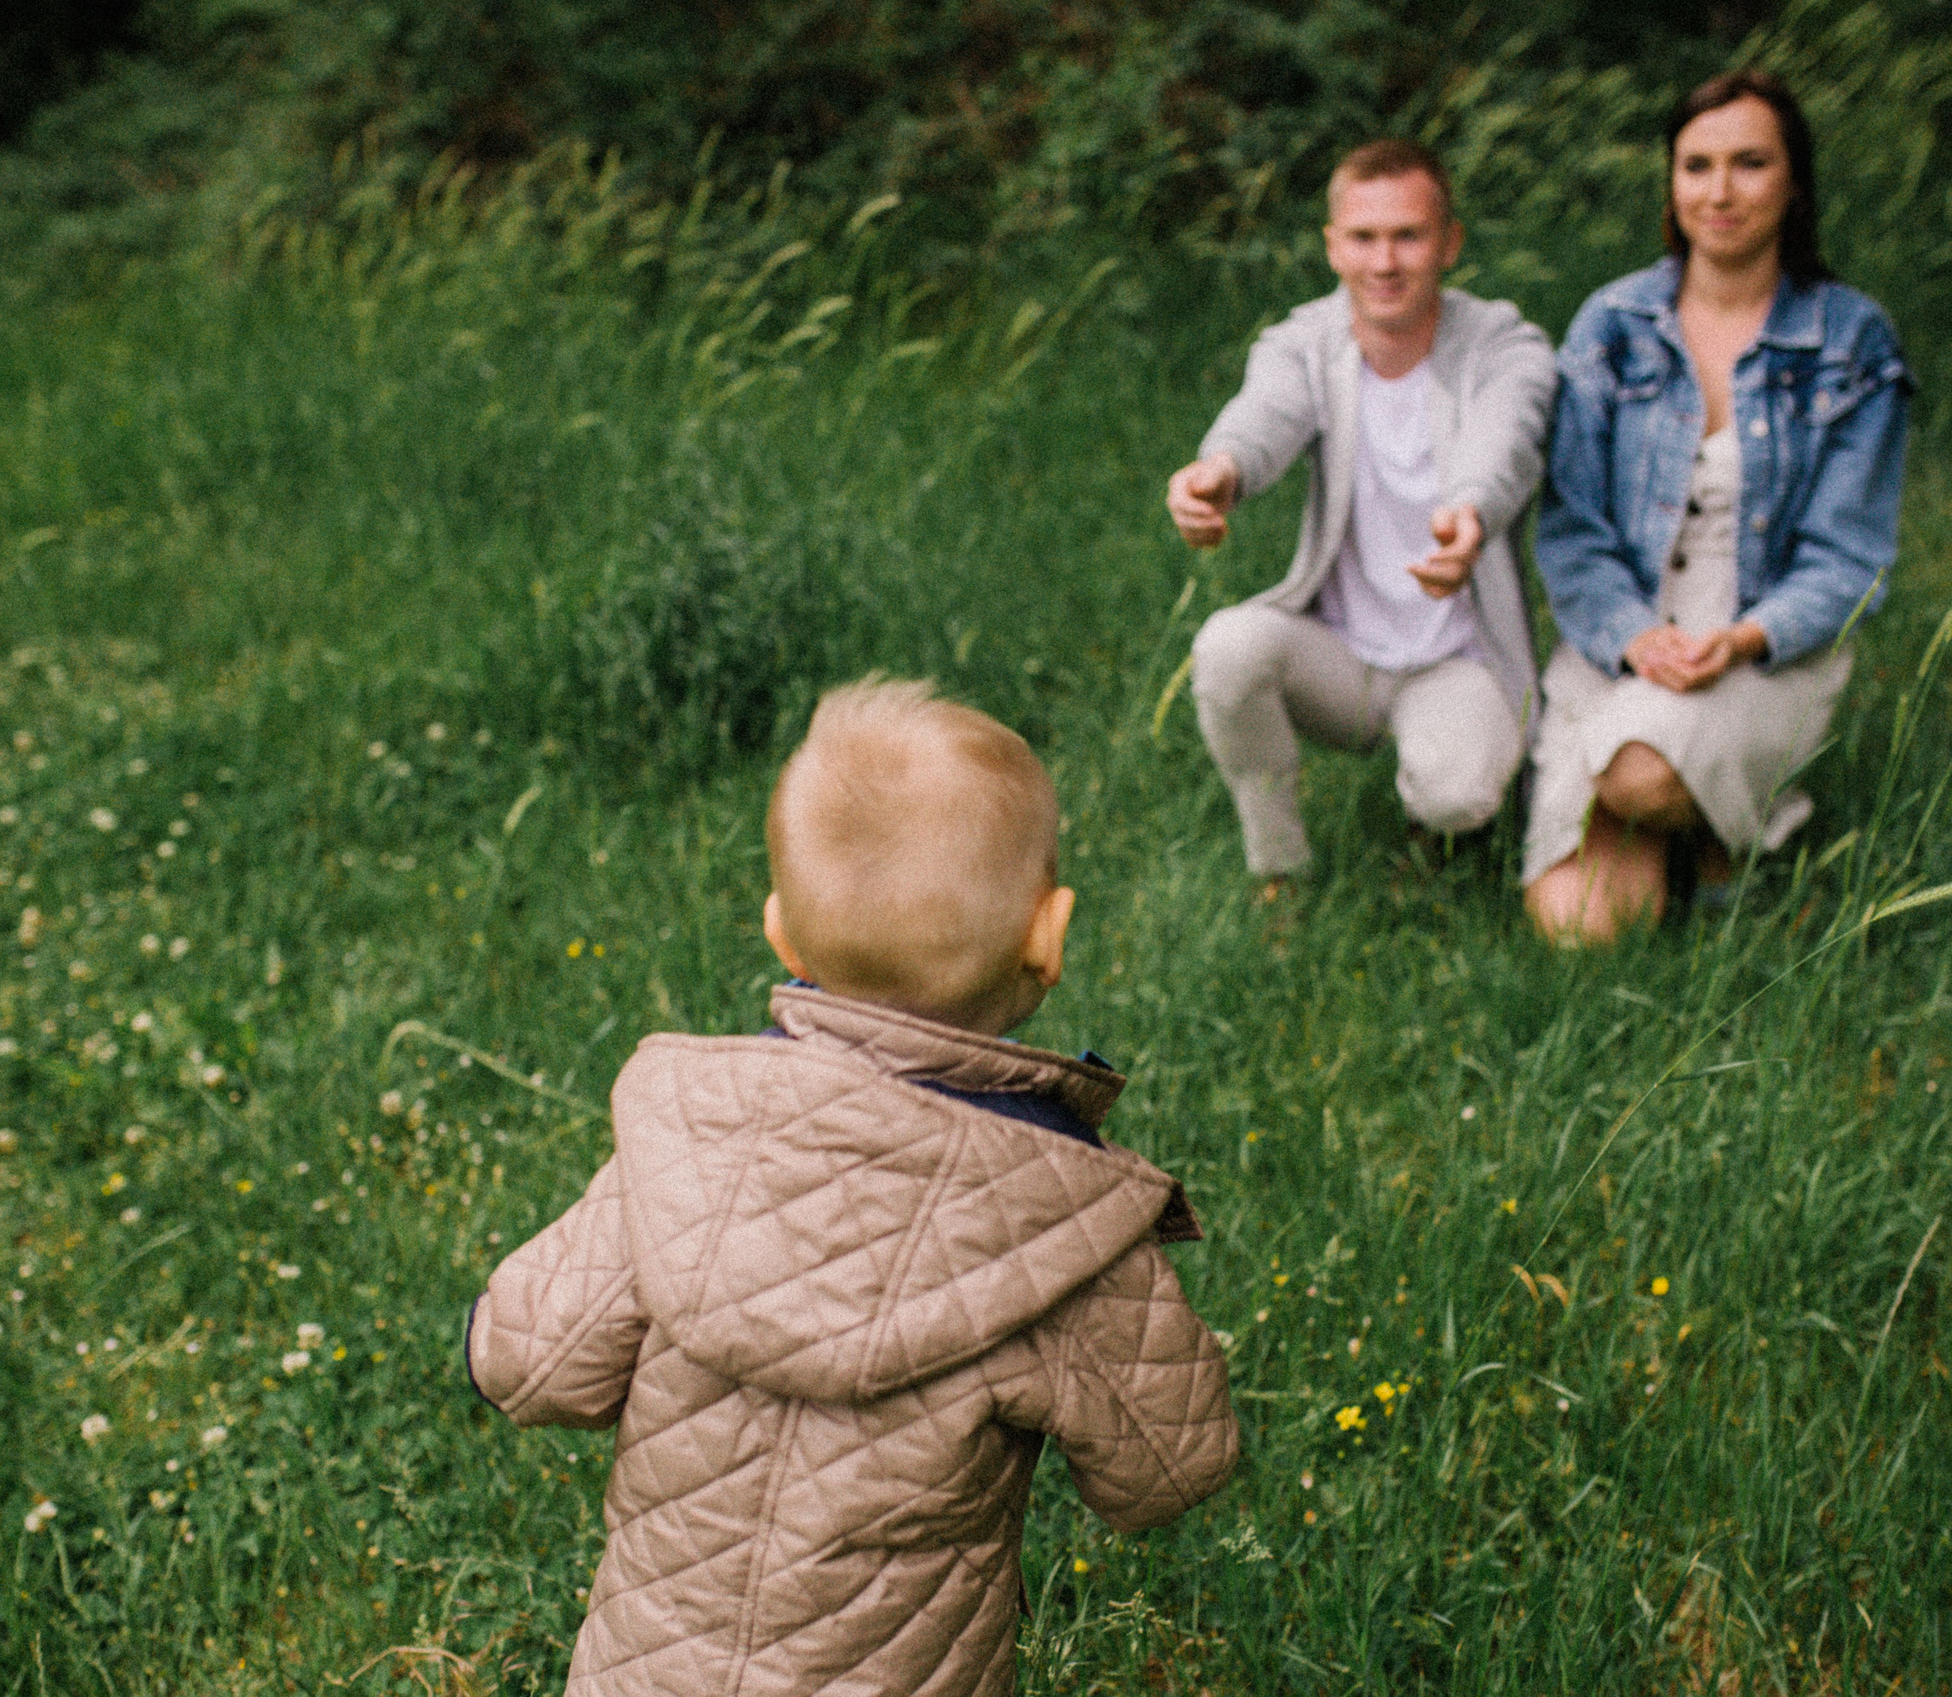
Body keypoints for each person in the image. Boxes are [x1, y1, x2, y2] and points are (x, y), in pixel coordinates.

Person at [466, 677, 1238, 1697]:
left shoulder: (686, 1151)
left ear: (781, 933)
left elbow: (532, 1366)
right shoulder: (1058, 1226)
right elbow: (1167, 1470)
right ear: (1048, 937)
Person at [1523, 69, 1913, 944]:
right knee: (1577, 928)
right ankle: (1705, 835)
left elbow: (1848, 558)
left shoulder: (1852, 341)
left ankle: (1709, 817)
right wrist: (1632, 636)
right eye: (1696, 166)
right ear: (1671, 183)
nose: (1721, 192)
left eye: (1750, 164)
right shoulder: (1612, 325)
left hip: (1764, 646)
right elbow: (1573, 529)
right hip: (1622, 641)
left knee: (1637, 773)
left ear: (1794, 183)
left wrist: (1736, 640)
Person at [1169, 138, 1558, 888]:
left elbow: (1505, 439)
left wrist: (1470, 515)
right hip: (1341, 657)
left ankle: (1440, 834)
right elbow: (1265, 416)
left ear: (1450, 243)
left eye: (1408, 236)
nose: (1385, 263)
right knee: (1228, 646)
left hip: (1459, 657)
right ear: (1332, 247)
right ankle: (1280, 873)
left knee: (1458, 793)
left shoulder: (1506, 345)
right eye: (1364, 238)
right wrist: (1221, 471)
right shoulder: (1305, 342)